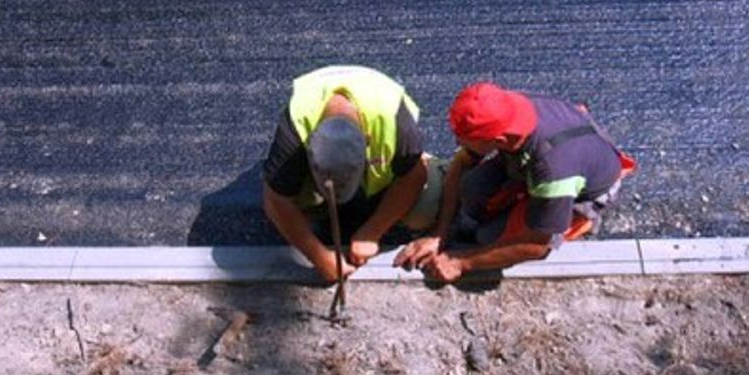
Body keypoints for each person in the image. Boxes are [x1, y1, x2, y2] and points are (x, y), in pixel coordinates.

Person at [394, 81, 636, 283]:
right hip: (535, 157)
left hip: (584, 185)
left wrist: (461, 262)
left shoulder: (554, 170)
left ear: (500, 140)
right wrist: (439, 234)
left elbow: (537, 247)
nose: (458, 144)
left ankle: (581, 221)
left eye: (464, 140)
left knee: (489, 239)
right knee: (472, 187)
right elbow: (462, 163)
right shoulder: (508, 109)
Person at [262, 65, 435, 283]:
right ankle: (320, 203)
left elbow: (415, 177)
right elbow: (275, 200)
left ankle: (399, 174)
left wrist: (373, 231)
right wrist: (319, 257)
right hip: (311, 163)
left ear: (367, 141)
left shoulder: (394, 121)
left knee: (424, 211)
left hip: (388, 144)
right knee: (294, 207)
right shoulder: (296, 129)